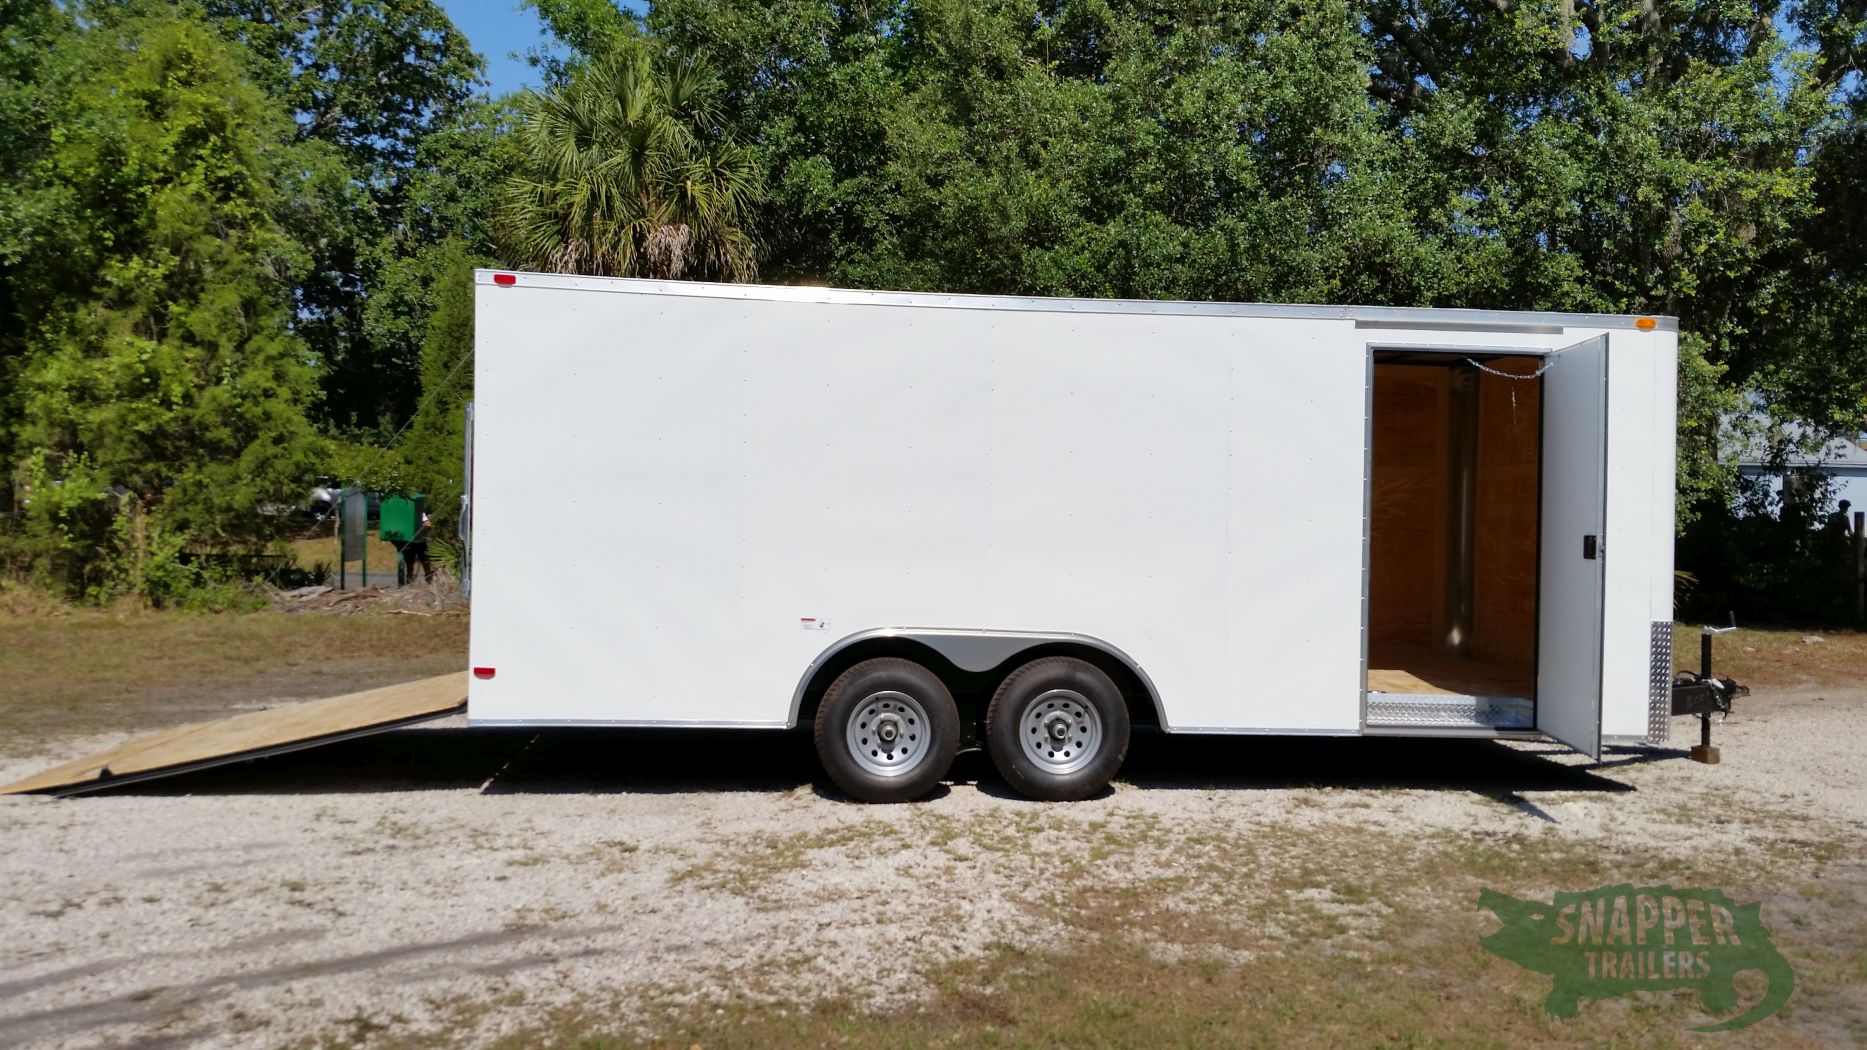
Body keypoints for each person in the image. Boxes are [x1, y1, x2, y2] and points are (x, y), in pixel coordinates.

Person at [403, 510, 435, 583]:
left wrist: (423, 531)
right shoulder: (405, 513)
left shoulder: (420, 513)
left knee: (426, 562)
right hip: (410, 543)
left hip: (420, 542)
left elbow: (429, 525)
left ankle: (429, 580)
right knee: (410, 564)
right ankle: (409, 582)